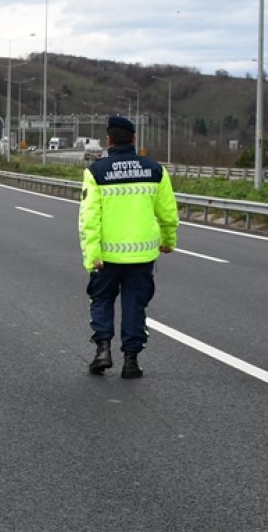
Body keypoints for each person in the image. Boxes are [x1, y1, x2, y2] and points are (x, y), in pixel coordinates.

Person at [78, 115, 178, 379]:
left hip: (107, 256)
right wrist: (168, 241)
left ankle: (102, 351)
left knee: (101, 299)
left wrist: (92, 255)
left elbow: (89, 218)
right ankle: (131, 361)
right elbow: (168, 213)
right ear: (134, 138)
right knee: (136, 304)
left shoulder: (96, 172)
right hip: (142, 255)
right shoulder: (155, 170)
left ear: (108, 139)